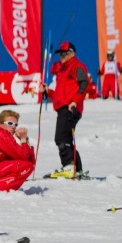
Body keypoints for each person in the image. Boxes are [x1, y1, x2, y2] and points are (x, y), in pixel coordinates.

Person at [41, 42, 90, 178]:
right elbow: (60, 95)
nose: (61, 56)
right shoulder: (63, 71)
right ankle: (76, 169)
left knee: (61, 137)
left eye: (64, 53)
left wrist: (75, 101)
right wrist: (48, 91)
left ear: (72, 53)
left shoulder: (76, 66)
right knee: (66, 137)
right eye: (60, 54)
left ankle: (69, 166)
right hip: (65, 107)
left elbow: (85, 83)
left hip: (70, 107)